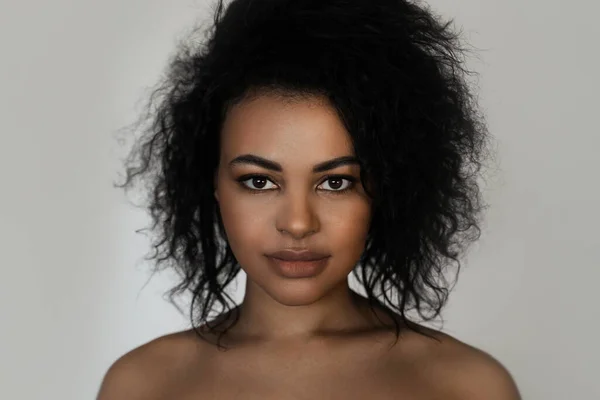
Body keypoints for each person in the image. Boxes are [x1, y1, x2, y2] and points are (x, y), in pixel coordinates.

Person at [98, 0, 521, 398]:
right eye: (259, 182)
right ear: (211, 183)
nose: (298, 223)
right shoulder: (142, 386)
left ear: (388, 186)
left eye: (335, 182)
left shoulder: (466, 388)